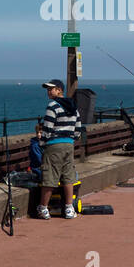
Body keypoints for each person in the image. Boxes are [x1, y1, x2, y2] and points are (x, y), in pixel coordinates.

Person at [37, 78, 82, 217]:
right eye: (48, 89)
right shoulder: (74, 107)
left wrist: (42, 143)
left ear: (59, 90)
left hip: (53, 145)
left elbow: (48, 128)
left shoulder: (53, 106)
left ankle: (43, 208)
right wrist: (70, 140)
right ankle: (69, 208)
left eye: (51, 89)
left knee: (50, 177)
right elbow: (78, 130)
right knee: (68, 177)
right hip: (69, 145)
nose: (48, 92)